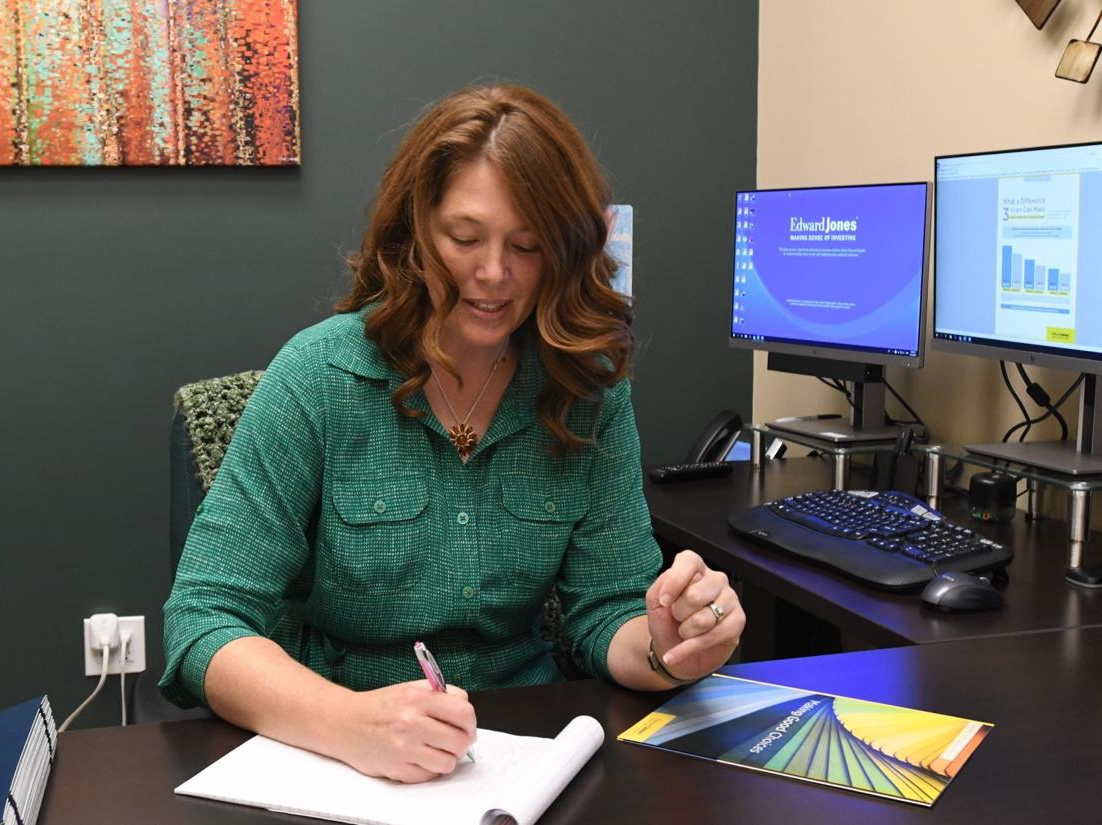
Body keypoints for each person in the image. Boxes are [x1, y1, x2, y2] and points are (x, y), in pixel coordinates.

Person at [161, 83, 744, 784]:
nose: (493, 273)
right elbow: (202, 618)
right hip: (340, 756)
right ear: (416, 231)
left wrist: (665, 645)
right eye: (464, 238)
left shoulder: (586, 390)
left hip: (527, 755)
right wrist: (348, 722)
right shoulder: (317, 377)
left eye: (526, 246)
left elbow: (607, 614)